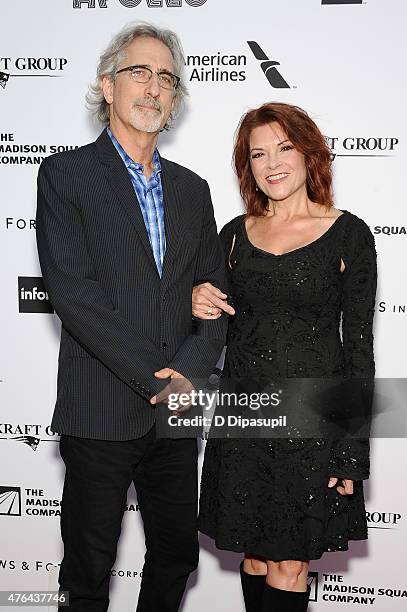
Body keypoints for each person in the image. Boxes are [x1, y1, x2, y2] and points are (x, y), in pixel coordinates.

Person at [36, 22, 227, 612]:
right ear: (108, 87)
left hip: (175, 415)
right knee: (88, 571)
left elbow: (215, 294)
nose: (153, 88)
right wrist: (156, 378)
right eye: (138, 73)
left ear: (174, 100)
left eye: (165, 78)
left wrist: (187, 376)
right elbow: (74, 293)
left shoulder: (193, 190)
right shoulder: (65, 175)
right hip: (100, 409)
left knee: (177, 555)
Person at [193, 102, 377, 611]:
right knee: (254, 558)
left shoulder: (349, 235)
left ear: (308, 152)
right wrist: (193, 299)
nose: (272, 163)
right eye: (257, 154)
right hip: (244, 422)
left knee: (291, 563)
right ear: (246, 166)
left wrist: (352, 449)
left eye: (284, 148)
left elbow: (359, 350)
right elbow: (203, 324)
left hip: (311, 430)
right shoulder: (231, 236)